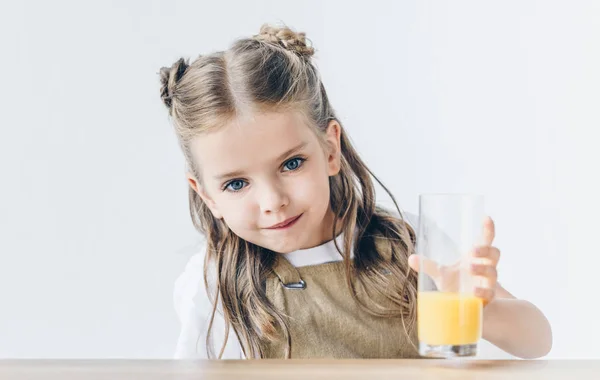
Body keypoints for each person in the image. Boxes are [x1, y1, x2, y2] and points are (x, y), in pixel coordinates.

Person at [159, 24, 552, 360]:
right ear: (206, 194)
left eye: (291, 164)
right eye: (236, 184)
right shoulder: (209, 283)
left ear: (330, 150)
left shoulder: (411, 248)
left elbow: (537, 341)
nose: (272, 201)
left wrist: (474, 308)